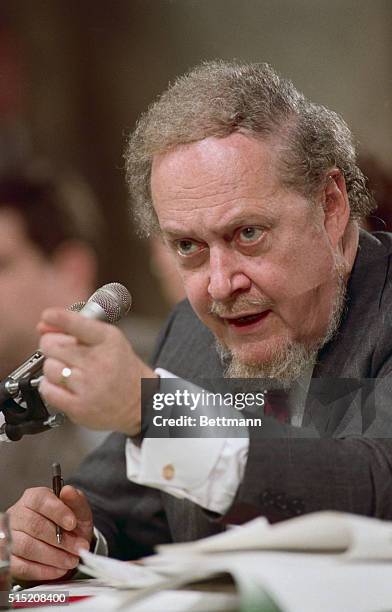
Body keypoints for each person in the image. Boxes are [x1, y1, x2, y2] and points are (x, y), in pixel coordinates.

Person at [7, 61, 392, 583]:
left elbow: (368, 484)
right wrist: (67, 535)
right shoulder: (192, 330)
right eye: (188, 246)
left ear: (330, 206)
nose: (218, 285)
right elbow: (117, 507)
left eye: (248, 234)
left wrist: (153, 413)